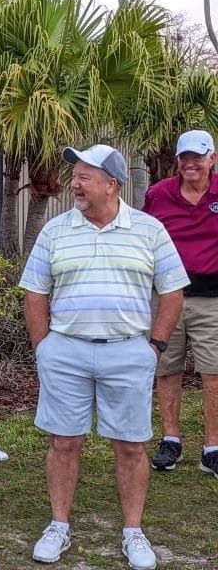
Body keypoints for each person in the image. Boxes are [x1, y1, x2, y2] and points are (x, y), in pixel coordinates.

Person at [19, 144, 188, 569]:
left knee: (131, 446)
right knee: (63, 441)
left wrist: (156, 346)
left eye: (84, 177)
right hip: (66, 352)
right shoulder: (55, 231)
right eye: (75, 175)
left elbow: (172, 291)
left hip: (128, 352)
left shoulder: (149, 231)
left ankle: (133, 531)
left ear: (112, 185)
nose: (74, 183)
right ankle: (59, 525)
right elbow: (35, 292)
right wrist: (45, 347)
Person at [143, 129, 218, 478]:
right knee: (166, 368)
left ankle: (212, 448)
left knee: (213, 371)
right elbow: (143, 240)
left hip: (212, 299)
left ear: (211, 159)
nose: (191, 163)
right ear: (178, 161)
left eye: (198, 157)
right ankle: (170, 439)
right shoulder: (158, 194)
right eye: (185, 157)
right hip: (167, 296)